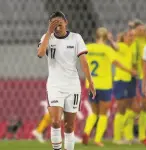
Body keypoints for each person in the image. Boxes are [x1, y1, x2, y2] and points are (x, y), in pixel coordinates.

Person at [37, 11, 96, 150]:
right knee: (56, 121)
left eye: (59, 22)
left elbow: (84, 63)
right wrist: (48, 32)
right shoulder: (47, 38)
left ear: (66, 22)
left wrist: (91, 82)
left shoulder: (76, 38)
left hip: (73, 86)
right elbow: (40, 53)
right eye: (53, 22)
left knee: (69, 126)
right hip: (55, 86)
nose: (57, 25)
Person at [82, 27, 135, 147]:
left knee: (94, 112)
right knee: (103, 114)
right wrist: (129, 70)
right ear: (106, 38)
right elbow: (116, 63)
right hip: (104, 85)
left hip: (91, 84)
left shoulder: (88, 47)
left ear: (95, 36)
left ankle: (86, 132)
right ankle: (97, 139)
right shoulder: (106, 49)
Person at [108, 31, 138, 144]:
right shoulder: (122, 46)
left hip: (131, 80)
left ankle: (128, 136)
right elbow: (115, 46)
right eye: (129, 35)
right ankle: (117, 137)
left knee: (132, 109)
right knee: (122, 109)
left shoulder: (133, 47)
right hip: (121, 81)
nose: (132, 37)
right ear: (124, 38)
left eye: (133, 36)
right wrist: (111, 40)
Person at [129, 19, 146, 142]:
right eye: (139, 29)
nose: (142, 31)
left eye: (143, 29)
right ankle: (137, 133)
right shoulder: (134, 42)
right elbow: (134, 61)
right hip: (140, 77)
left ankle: (141, 133)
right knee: (139, 106)